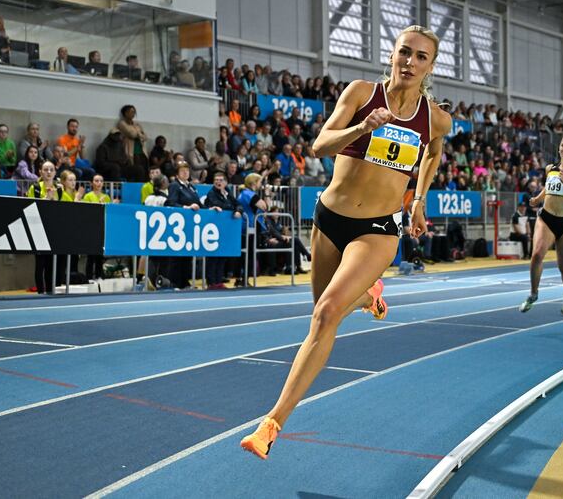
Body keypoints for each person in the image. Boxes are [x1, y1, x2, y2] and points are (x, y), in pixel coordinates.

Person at [240, 24, 451, 459]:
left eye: (420, 57)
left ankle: (272, 422)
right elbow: (319, 146)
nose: (409, 62)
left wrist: (419, 201)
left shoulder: (435, 118)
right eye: (404, 52)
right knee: (325, 311)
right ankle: (369, 296)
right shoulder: (360, 93)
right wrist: (363, 127)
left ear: (430, 67)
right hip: (330, 218)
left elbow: (434, 152)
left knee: (325, 314)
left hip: (377, 230)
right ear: (392, 55)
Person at [519, 134, 563, 316]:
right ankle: (533, 294)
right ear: (559, 148)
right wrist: (538, 198)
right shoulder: (550, 168)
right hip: (547, 218)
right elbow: (549, 187)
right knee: (536, 255)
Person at [165, 162, 203, 289]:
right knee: (177, 256)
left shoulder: (191, 187)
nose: (185, 172)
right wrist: (186, 207)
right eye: (182, 171)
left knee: (187, 255)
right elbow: (170, 203)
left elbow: (198, 203)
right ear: (177, 173)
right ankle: (175, 282)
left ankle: (185, 281)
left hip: (190, 225)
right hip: (178, 224)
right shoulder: (175, 186)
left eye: (187, 170)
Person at [204, 171, 243, 288]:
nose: (218, 182)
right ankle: (211, 282)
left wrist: (238, 211)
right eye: (216, 180)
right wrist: (232, 209)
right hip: (214, 229)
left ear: (226, 182)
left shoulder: (228, 193)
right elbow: (220, 205)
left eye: (221, 180)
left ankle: (218, 280)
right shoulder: (211, 193)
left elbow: (239, 204)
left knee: (222, 255)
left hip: (226, 229)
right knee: (214, 256)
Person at [28, 162, 60, 293]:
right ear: (41, 172)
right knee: (40, 263)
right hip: (38, 229)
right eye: (46, 169)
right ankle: (41, 292)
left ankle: (50, 291)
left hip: (53, 229)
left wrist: (53, 200)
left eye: (51, 169)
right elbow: (30, 208)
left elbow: (61, 209)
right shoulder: (34, 188)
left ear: (54, 173)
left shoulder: (59, 189)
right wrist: (46, 198)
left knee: (51, 264)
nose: (48, 172)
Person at [82, 174, 113, 280]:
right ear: (92, 183)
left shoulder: (107, 197)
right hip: (91, 229)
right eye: (96, 181)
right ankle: (89, 277)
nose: (98, 183)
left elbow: (109, 213)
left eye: (100, 181)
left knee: (100, 255)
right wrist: (99, 205)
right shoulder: (88, 196)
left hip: (102, 229)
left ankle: (100, 276)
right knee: (91, 256)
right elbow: (87, 212)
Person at [117, 105, 149, 175]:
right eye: (131, 112)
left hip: (141, 149)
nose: (133, 114)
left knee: (144, 168)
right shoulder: (122, 123)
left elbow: (145, 136)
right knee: (136, 168)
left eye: (134, 112)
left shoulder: (136, 124)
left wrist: (139, 135)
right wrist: (139, 134)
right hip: (130, 149)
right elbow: (132, 134)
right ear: (125, 113)